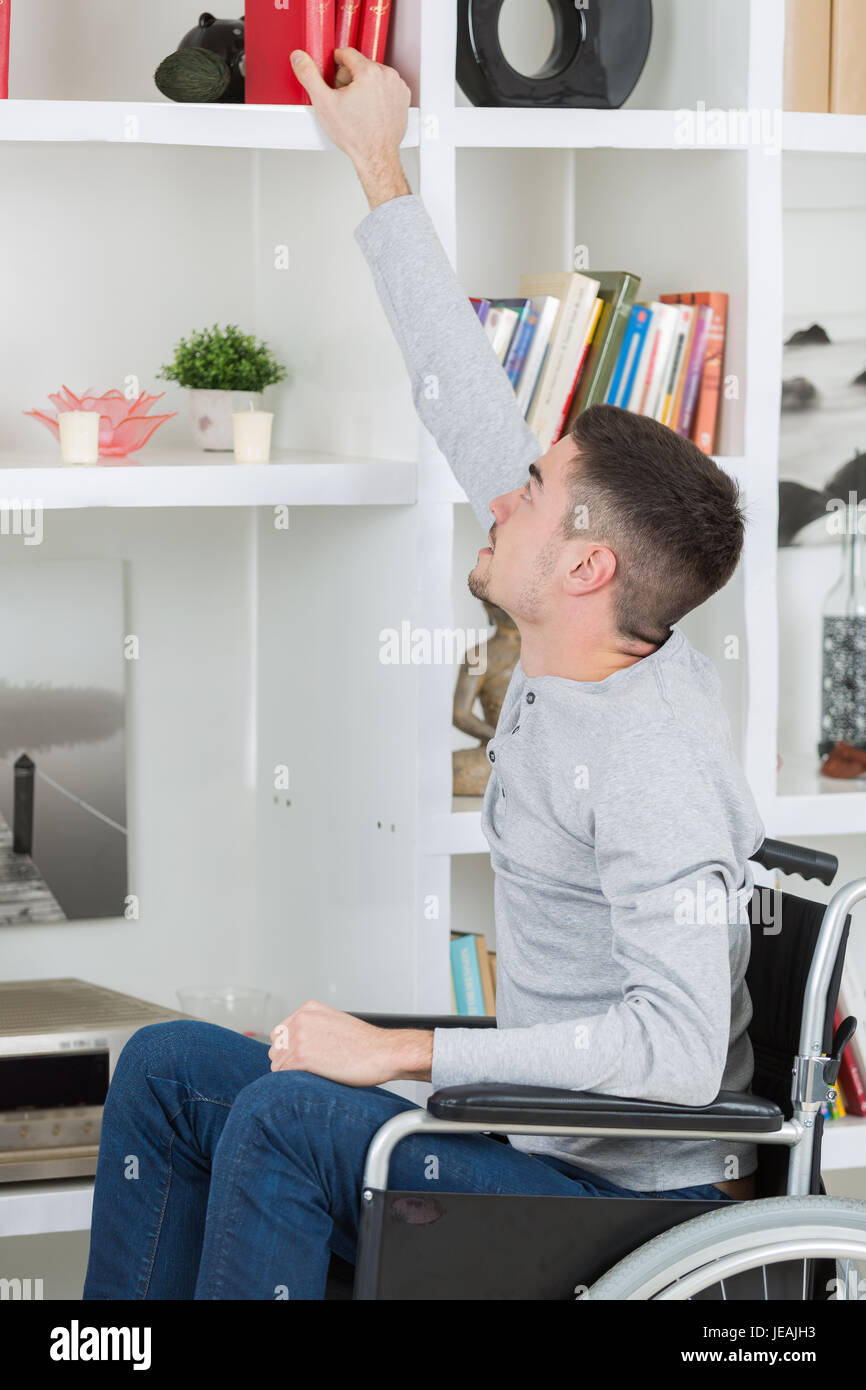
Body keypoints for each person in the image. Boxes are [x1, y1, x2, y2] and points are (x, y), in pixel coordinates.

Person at [83, 46, 763, 1303]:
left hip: (612, 1196)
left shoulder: (653, 760)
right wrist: (376, 157)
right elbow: (468, 409)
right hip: (525, 1137)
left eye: (533, 493)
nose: (498, 494)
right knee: (172, 1066)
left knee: (290, 1119)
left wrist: (395, 1049)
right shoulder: (588, 638)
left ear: (585, 570)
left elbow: (673, 1057)